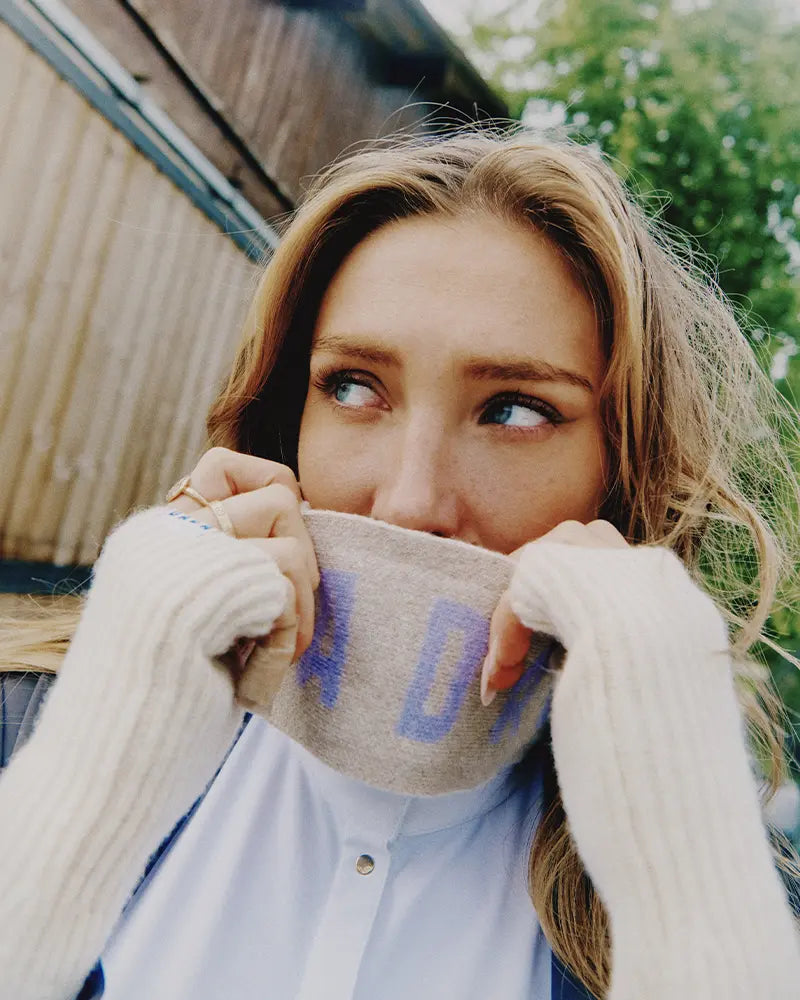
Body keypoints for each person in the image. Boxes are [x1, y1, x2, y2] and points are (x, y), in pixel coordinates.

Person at [1, 127, 799, 1000]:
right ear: (285, 421)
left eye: (518, 409)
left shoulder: (737, 893)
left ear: (622, 470)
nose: (411, 501)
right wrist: (80, 798)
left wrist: (687, 883)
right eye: (351, 387)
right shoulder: (22, 727)